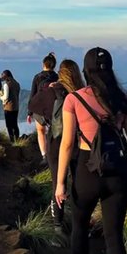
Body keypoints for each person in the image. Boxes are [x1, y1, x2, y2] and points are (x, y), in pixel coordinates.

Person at [55, 48, 127, 254]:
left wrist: (60, 183)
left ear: (86, 71)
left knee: (80, 226)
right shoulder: (121, 100)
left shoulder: (74, 99)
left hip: (87, 171)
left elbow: (67, 144)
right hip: (119, 172)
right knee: (114, 235)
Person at [44, 59, 84, 233]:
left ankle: (58, 225)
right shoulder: (82, 93)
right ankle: (79, 222)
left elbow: (33, 106)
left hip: (55, 142)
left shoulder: (52, 91)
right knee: (78, 182)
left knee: (58, 183)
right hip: (78, 143)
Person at [27, 52, 59, 162]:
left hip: (38, 108)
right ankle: (54, 153)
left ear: (43, 64)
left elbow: (33, 94)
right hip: (53, 108)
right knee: (54, 132)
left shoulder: (37, 77)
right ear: (54, 65)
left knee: (41, 131)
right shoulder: (57, 77)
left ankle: (44, 155)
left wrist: (29, 112)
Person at [0, 70, 22, 142]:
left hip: (8, 107)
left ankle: (12, 141)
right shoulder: (17, 84)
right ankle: (17, 139)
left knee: (9, 125)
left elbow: (6, 97)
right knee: (15, 124)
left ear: (6, 76)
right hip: (16, 107)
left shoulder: (6, 85)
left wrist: (0, 97)